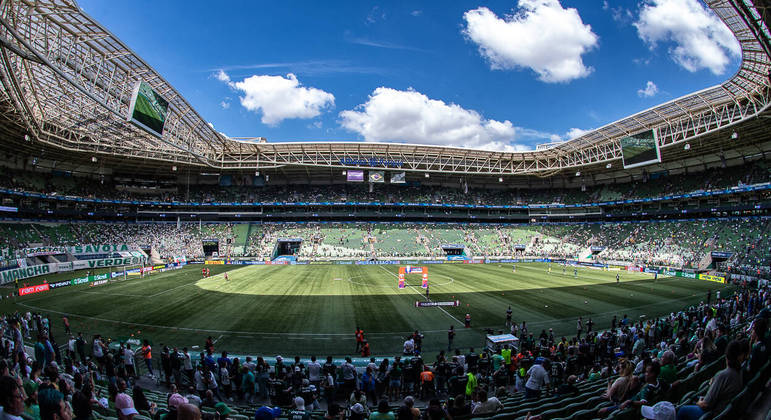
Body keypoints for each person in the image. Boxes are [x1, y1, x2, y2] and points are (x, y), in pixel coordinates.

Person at [676, 340, 745, 420]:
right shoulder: (740, 372)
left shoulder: (722, 375)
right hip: (724, 411)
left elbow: (705, 405)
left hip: (713, 414)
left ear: (726, 356)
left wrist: (699, 403)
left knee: (682, 410)